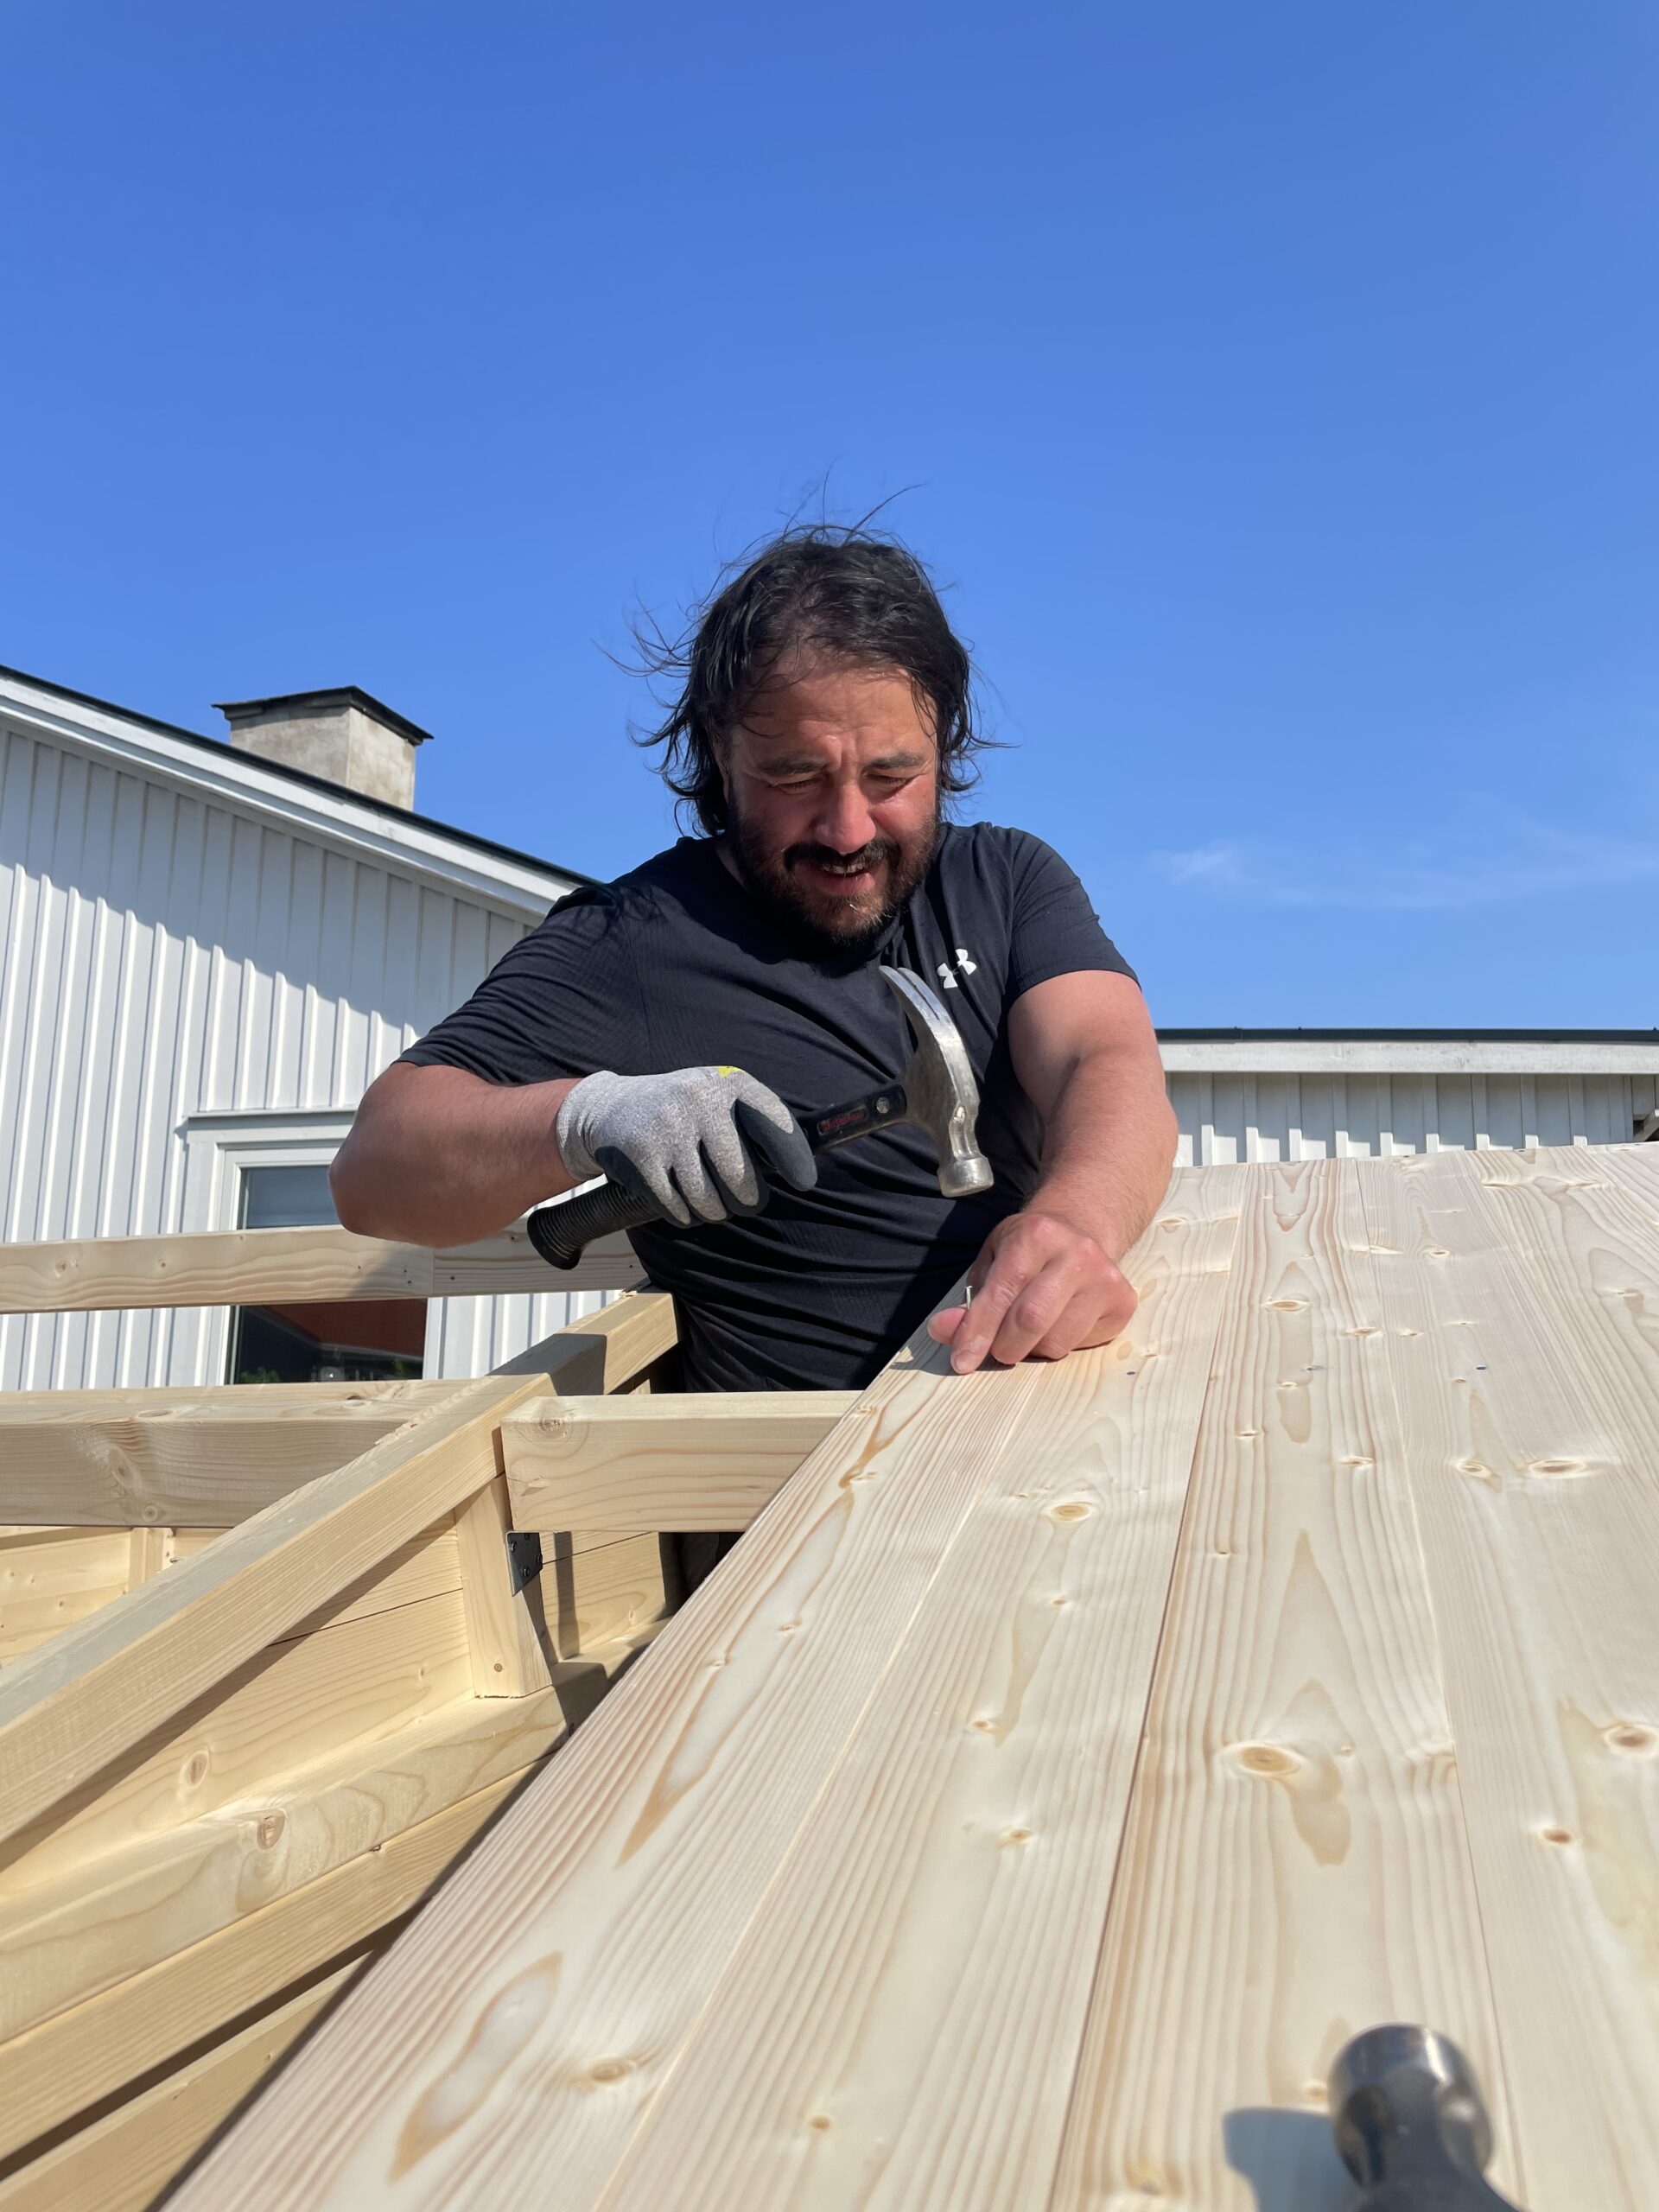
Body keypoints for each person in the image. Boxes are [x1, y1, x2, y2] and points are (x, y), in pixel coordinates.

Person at [331, 529, 1177, 1398]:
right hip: (807, 1471)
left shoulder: (1006, 880)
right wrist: (588, 1117)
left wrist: (1074, 1223)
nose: (847, 831)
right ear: (720, 753)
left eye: (891, 777)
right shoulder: (635, 939)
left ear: (944, 748)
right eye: (795, 777)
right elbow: (372, 1173)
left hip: (1035, 1430)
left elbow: (1105, 1059)